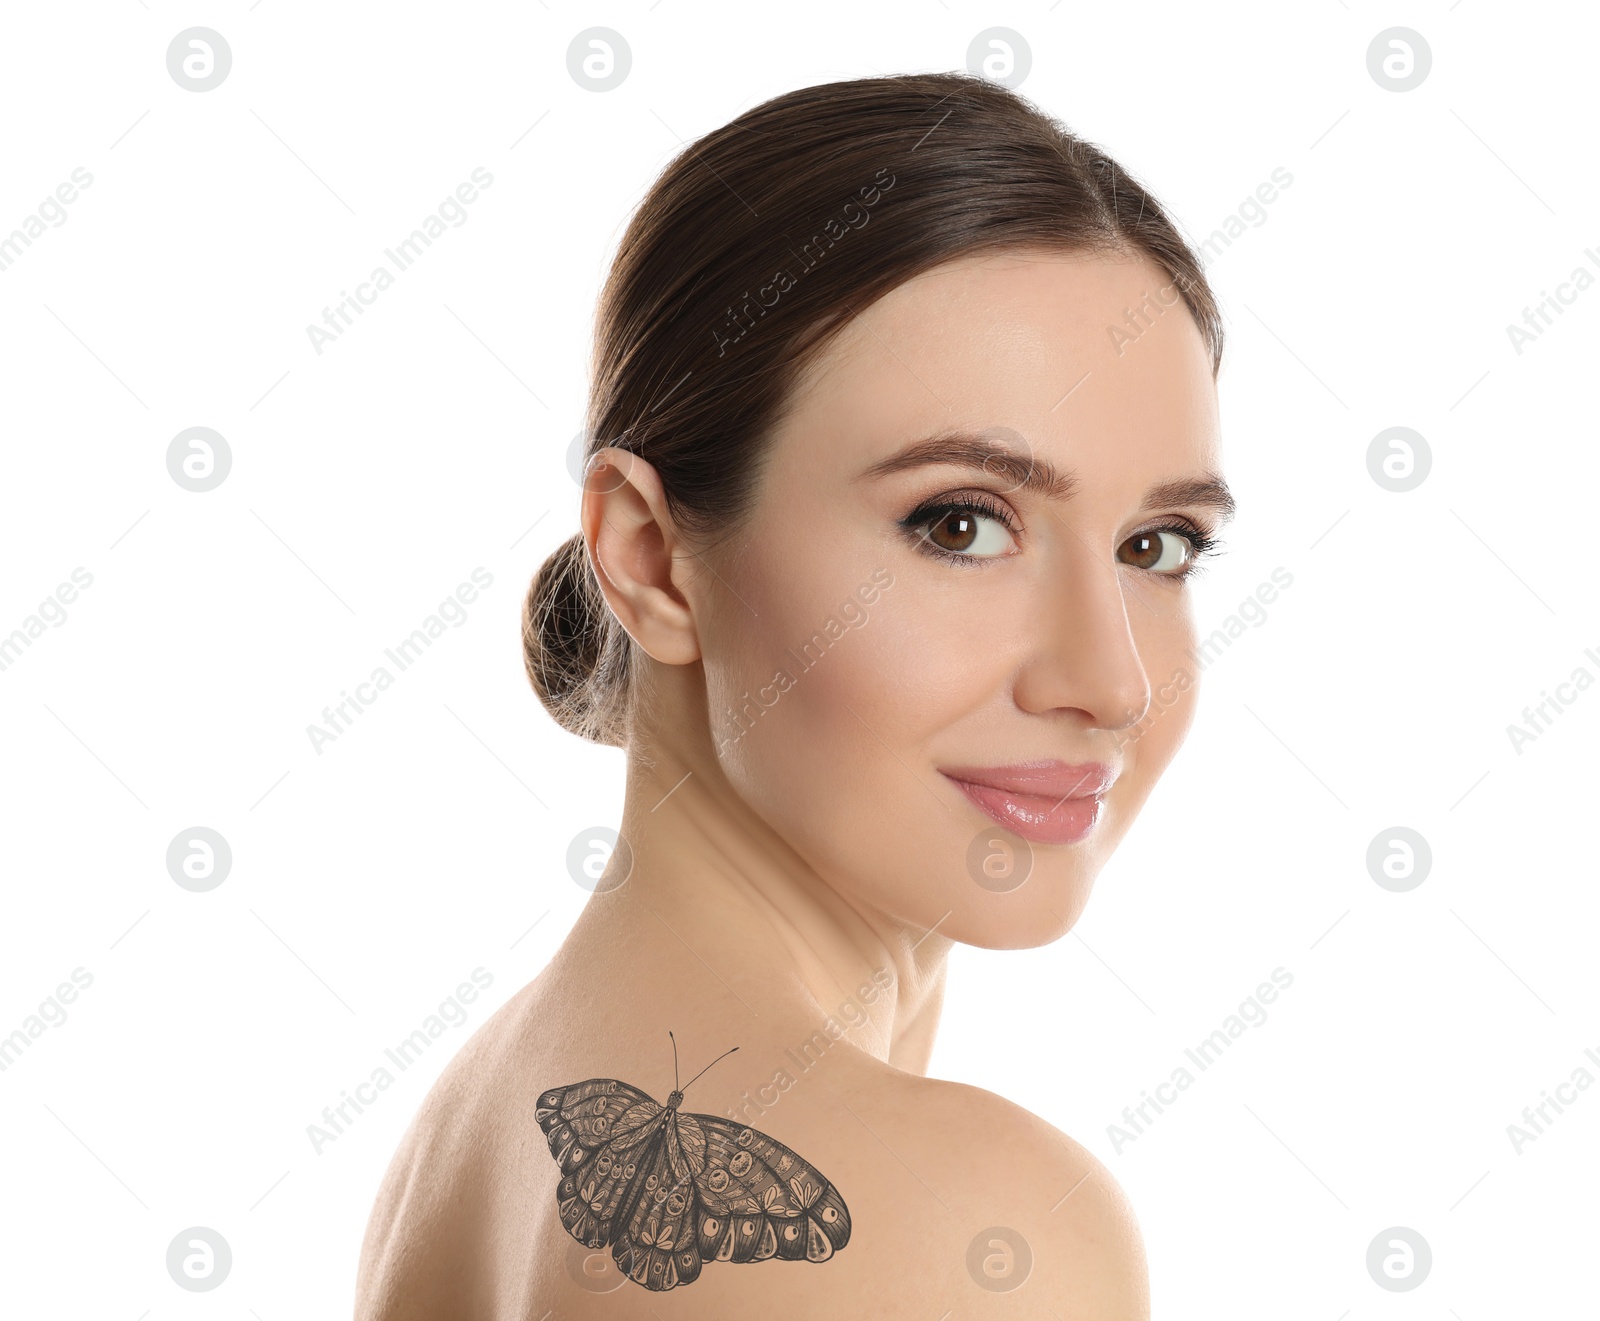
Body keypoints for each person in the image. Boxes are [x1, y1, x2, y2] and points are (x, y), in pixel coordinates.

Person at [355, 70, 1231, 1320]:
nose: (1108, 681)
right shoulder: (965, 1225)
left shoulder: (484, 1119)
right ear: (652, 561)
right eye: (961, 524)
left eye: (1158, 546)